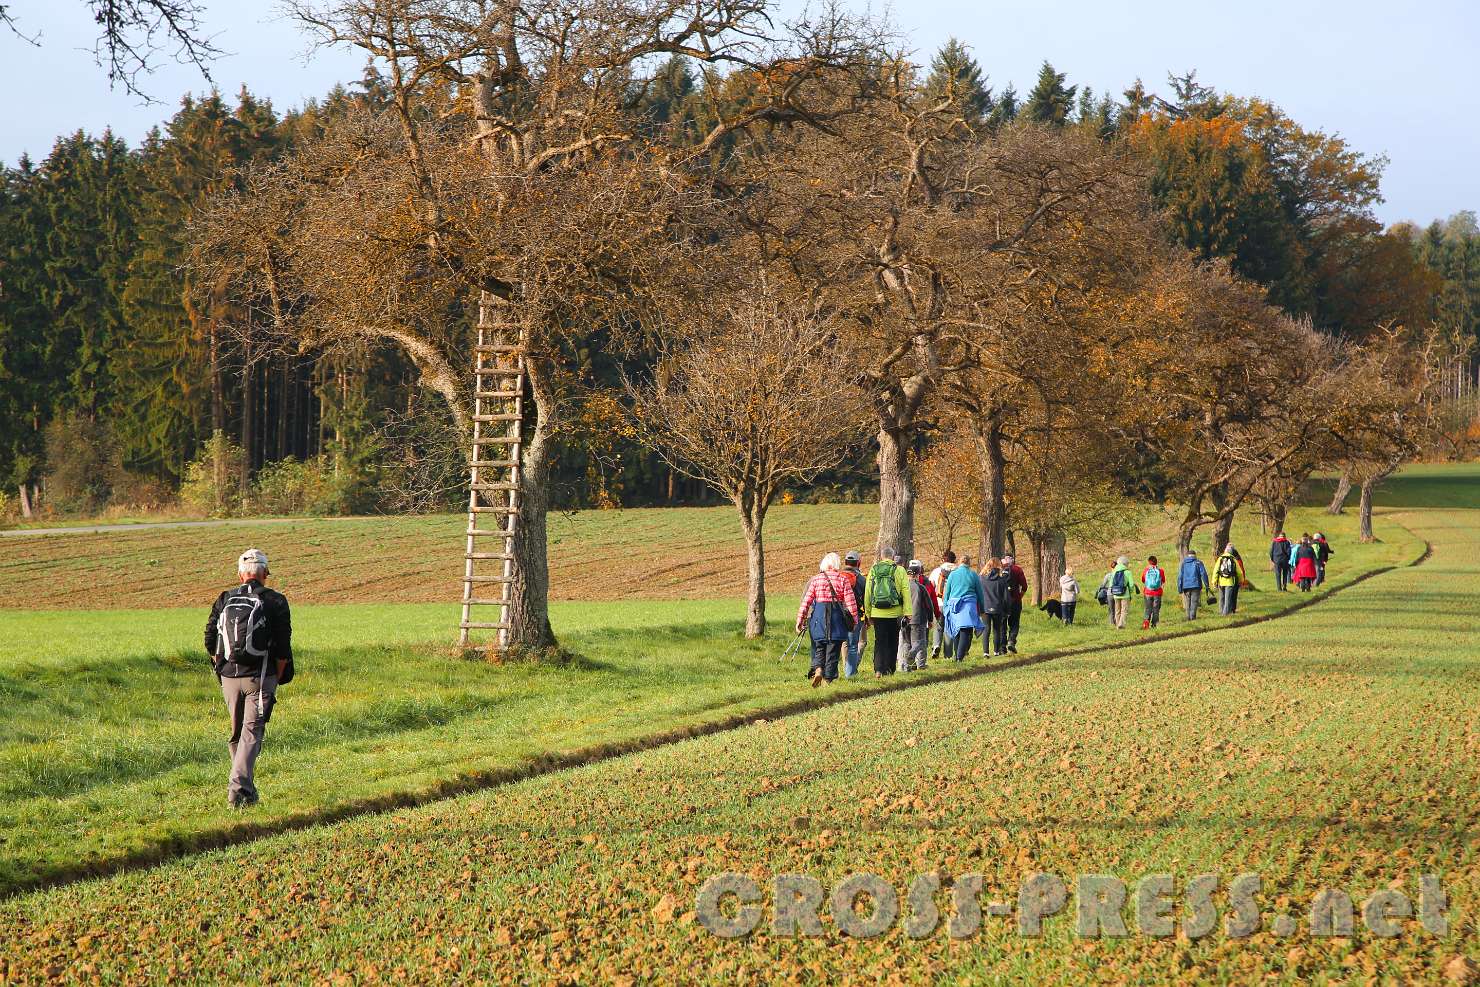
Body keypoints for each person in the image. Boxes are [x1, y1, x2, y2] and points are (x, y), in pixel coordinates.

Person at [205, 548, 293, 809]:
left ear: (241, 574)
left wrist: (221, 666)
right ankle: (236, 789)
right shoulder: (275, 600)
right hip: (260, 676)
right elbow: (282, 647)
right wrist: (274, 679)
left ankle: (247, 792)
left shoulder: (225, 598)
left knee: (237, 735)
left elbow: (210, 639)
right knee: (252, 734)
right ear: (265, 573)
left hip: (229, 677)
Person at [796, 552, 860, 687]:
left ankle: (818, 669)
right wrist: (854, 621)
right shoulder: (842, 579)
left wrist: (800, 620)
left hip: (818, 618)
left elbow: (806, 601)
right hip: (836, 618)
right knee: (833, 650)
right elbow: (851, 602)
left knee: (819, 646)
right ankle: (827, 681)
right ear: (836, 564)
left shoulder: (816, 579)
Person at [863, 549, 912, 677]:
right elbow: (906, 592)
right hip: (894, 613)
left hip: (877, 612)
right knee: (892, 640)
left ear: (881, 556)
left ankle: (879, 669)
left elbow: (868, 592)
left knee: (879, 640)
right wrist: (908, 612)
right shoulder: (900, 570)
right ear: (893, 557)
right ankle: (890, 670)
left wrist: (868, 613)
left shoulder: (874, 569)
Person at [942, 556, 985, 662]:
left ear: (959, 563)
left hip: (954, 606)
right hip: (968, 606)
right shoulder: (973, 574)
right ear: (969, 563)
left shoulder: (952, 574)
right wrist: (982, 609)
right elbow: (980, 593)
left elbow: (947, 592)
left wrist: (945, 607)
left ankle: (957, 655)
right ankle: (959, 657)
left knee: (956, 630)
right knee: (966, 630)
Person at [900, 560, 939, 672]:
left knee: (907, 642)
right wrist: (931, 619)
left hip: (904, 619)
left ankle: (909, 666)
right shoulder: (921, 587)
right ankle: (920, 664)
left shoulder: (903, 587)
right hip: (918, 619)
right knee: (920, 641)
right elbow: (929, 605)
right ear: (918, 575)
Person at [926, 550, 959, 660]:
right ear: (954, 560)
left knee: (938, 627)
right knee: (949, 628)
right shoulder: (958, 570)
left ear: (943, 559)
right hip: (953, 604)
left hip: (939, 603)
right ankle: (948, 654)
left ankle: (936, 645)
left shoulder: (937, 571)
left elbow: (930, 587)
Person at [840, 551, 868, 677]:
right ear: (858, 563)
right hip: (855, 615)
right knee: (854, 644)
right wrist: (868, 617)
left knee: (844, 643)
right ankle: (850, 673)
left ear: (845, 562)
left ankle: (846, 668)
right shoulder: (862, 579)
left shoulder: (838, 576)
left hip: (839, 614)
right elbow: (867, 600)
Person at [980, 558, 1014, 657]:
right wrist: (1008, 610)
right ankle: (996, 651)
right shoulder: (1001, 580)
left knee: (986, 629)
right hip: (997, 607)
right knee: (997, 630)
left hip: (985, 607)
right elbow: (1006, 597)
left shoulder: (981, 578)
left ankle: (985, 652)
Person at [1099, 555, 1140, 629]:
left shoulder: (1114, 571)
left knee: (1117, 611)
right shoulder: (1128, 572)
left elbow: (1111, 584)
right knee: (1124, 611)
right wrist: (1130, 592)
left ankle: (1117, 625)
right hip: (1125, 594)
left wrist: (1113, 591)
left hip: (1115, 594)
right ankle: (1121, 624)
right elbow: (1131, 585)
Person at [1000, 554, 1029, 654]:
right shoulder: (1018, 569)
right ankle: (1011, 641)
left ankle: (1002, 647)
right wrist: (1020, 596)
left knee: (1002, 624)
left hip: (1003, 601)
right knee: (1014, 622)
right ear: (1012, 559)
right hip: (1015, 600)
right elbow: (1024, 586)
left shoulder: (1000, 570)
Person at [1214, 542, 1247, 615]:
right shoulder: (1233, 559)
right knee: (1228, 599)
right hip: (1230, 581)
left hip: (1221, 582)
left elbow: (1215, 571)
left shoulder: (1220, 558)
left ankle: (1221, 612)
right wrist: (1242, 581)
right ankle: (1225, 614)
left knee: (1221, 598)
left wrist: (1214, 581)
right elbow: (1239, 572)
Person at [1178, 549, 1211, 620]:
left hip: (1186, 586)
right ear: (1195, 555)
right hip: (1196, 585)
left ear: (1188, 556)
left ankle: (1188, 617)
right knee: (1194, 602)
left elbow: (1180, 576)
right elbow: (1203, 574)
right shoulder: (1198, 562)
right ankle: (1192, 617)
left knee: (1188, 602)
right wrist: (1207, 585)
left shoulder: (1184, 563)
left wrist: (1180, 588)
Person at [1140, 555, 1166, 629]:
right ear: (1156, 562)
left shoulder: (1146, 570)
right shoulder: (1161, 571)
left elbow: (1143, 580)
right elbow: (1163, 581)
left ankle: (1146, 624)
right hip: (1157, 593)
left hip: (1148, 592)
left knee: (1148, 608)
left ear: (1149, 562)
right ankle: (1154, 625)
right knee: (1156, 609)